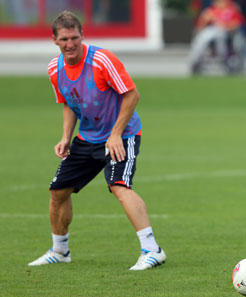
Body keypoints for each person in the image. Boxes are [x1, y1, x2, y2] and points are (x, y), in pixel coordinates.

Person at [27, 11, 165, 271]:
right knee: (57, 191)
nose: (70, 44)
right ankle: (60, 250)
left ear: (82, 36)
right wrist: (66, 137)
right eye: (65, 39)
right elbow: (68, 103)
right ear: (54, 39)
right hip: (87, 137)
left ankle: (152, 250)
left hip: (122, 134)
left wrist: (115, 134)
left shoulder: (102, 60)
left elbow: (132, 95)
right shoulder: (54, 68)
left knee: (119, 186)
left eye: (75, 38)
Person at [189, 0, 246, 74]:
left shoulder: (232, 10)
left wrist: (225, 25)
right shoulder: (211, 10)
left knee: (221, 37)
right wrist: (205, 19)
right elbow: (201, 24)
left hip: (227, 33)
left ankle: (225, 60)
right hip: (212, 31)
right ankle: (195, 61)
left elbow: (238, 24)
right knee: (202, 38)